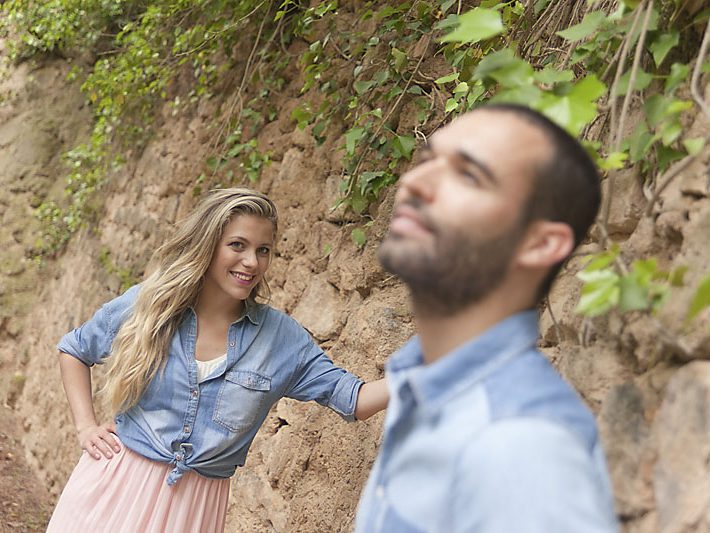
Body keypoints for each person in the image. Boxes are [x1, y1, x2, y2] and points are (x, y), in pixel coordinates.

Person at [47, 188, 388, 532]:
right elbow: (75, 350)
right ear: (207, 245)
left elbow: (354, 399)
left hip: (194, 511)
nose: (252, 262)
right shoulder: (150, 306)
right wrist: (85, 426)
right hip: (115, 489)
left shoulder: (281, 340)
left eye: (263, 250)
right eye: (237, 245)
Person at [355, 103, 618, 532]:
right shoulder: (421, 385)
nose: (413, 182)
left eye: (468, 175)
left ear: (540, 243)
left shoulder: (519, 446)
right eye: (426, 160)